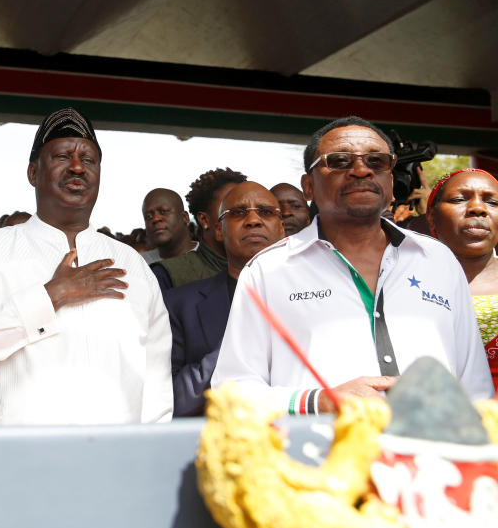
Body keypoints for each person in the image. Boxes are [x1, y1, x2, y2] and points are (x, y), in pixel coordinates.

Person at [213, 116, 493, 415]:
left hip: (435, 456)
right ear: (308, 187)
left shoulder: (438, 260)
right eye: (340, 161)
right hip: (323, 455)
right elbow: (233, 391)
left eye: (377, 161)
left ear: (390, 183)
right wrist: (320, 400)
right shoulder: (268, 271)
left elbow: (475, 388)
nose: (361, 170)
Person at [0, 108, 172, 425]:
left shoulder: (132, 265)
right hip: (17, 463)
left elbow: (156, 386)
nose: (77, 167)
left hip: (116, 464)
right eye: (62, 157)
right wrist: (51, 296)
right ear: (33, 173)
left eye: (88, 160)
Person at [166, 181, 285, 416]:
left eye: (266, 212)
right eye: (239, 213)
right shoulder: (179, 305)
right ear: (219, 230)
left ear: (282, 228)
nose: (253, 220)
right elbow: (171, 401)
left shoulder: (318, 297)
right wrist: (236, 345)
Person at [427, 168, 498, 392]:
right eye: (459, 199)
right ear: (432, 217)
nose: (478, 209)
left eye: (493, 203)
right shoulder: (400, 283)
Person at [151, 168, 247, 291]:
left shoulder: (265, 267)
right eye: (234, 209)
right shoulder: (167, 275)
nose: (250, 218)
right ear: (204, 220)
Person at [141, 188, 195, 263]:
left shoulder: (210, 258)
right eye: (149, 216)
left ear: (185, 217)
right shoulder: (139, 263)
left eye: (163, 211)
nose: (156, 219)